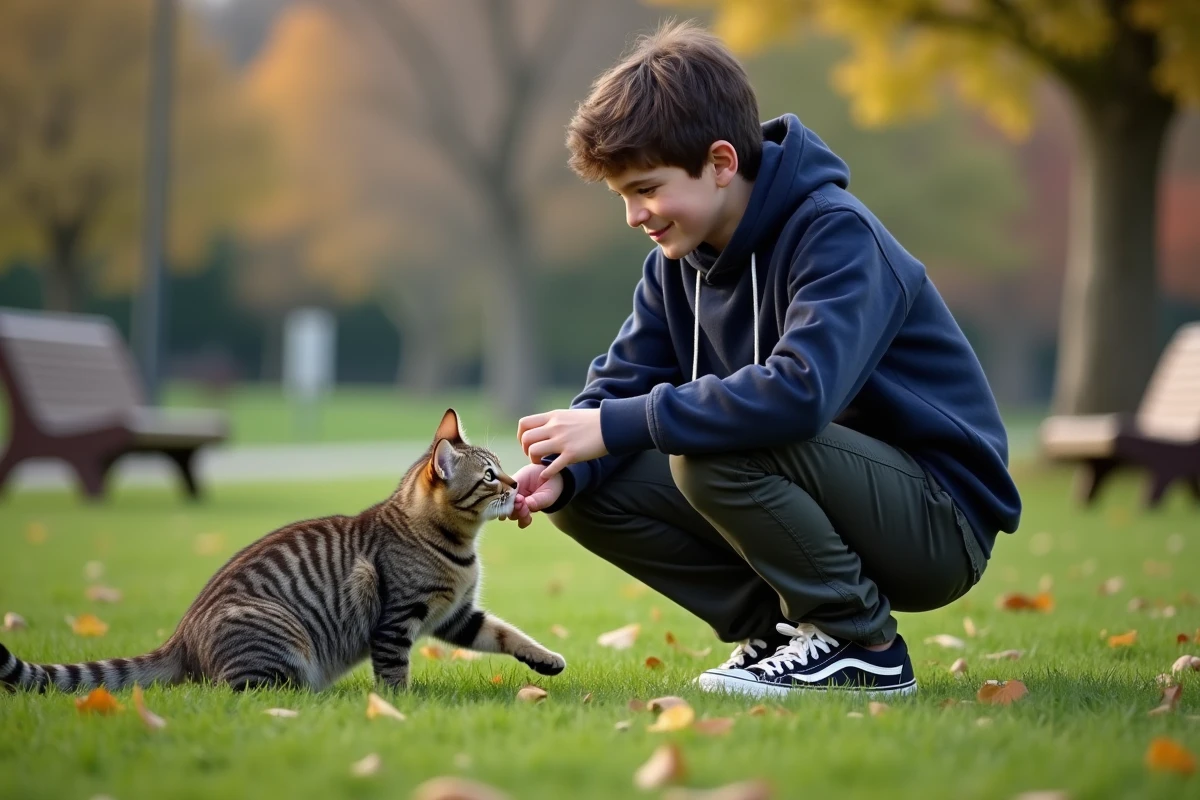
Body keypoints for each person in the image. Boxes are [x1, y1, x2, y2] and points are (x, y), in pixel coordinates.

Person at [502, 19, 1021, 698]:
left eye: (648, 189)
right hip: (828, 496)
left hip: (936, 520)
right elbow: (622, 384)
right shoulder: (677, 263)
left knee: (705, 446)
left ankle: (861, 643)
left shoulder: (835, 233)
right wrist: (561, 474)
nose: (635, 215)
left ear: (721, 163)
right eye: (624, 196)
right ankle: (788, 633)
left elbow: (801, 394)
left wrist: (623, 424)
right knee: (589, 478)